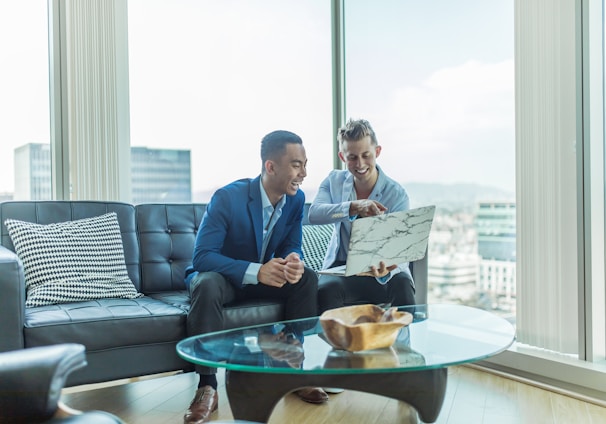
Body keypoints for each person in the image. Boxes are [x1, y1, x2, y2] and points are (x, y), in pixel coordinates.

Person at [182, 130, 326, 424]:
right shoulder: (227, 197)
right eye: (297, 165)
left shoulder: (296, 200)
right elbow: (202, 257)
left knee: (306, 278)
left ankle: (293, 369)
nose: (304, 173)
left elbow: (291, 243)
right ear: (270, 167)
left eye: (305, 164)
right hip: (225, 280)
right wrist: (255, 271)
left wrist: (294, 259)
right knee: (206, 283)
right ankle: (207, 386)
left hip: (265, 279)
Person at [308, 118, 416, 314]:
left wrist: (386, 268)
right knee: (326, 290)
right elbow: (314, 214)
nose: (360, 164)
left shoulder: (396, 194)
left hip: (383, 271)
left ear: (378, 152)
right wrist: (353, 207)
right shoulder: (334, 181)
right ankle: (336, 344)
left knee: (403, 286)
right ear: (342, 156)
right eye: (352, 157)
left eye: (366, 155)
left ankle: (404, 343)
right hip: (342, 269)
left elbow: (402, 250)